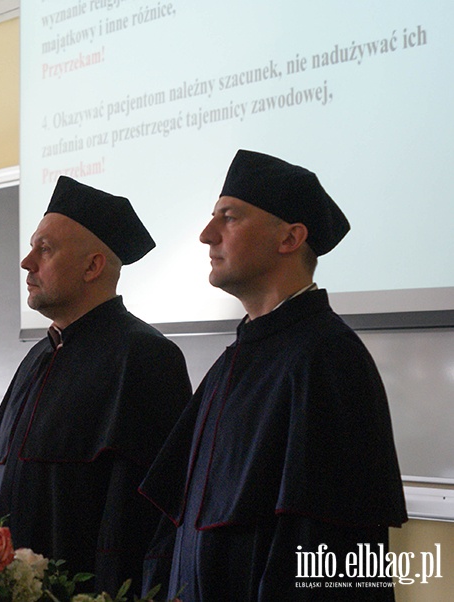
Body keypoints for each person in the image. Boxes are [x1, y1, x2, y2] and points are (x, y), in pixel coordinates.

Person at [140, 150, 407, 600]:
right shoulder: (233, 361)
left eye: (229, 218)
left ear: (289, 238)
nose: (207, 235)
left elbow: (330, 559)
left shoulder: (328, 359)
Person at [0, 176, 192, 595]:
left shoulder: (145, 357)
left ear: (93, 266)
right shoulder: (38, 356)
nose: (27, 262)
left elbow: (142, 521)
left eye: (45, 249)